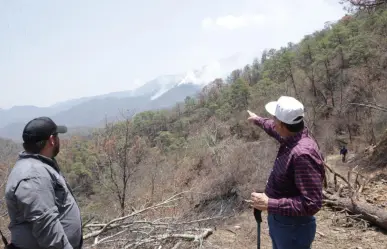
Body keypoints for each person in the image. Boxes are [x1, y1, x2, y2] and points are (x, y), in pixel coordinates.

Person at [247, 96, 325, 249]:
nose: (273, 122)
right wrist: (257, 119)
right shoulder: (291, 136)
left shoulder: (303, 154)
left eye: (275, 119)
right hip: (283, 222)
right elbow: (271, 127)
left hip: (293, 228)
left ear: (282, 125)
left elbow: (312, 203)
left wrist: (269, 203)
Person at [4, 117, 83, 249]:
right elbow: (47, 227)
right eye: (57, 136)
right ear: (52, 140)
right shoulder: (33, 175)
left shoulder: (38, 166)